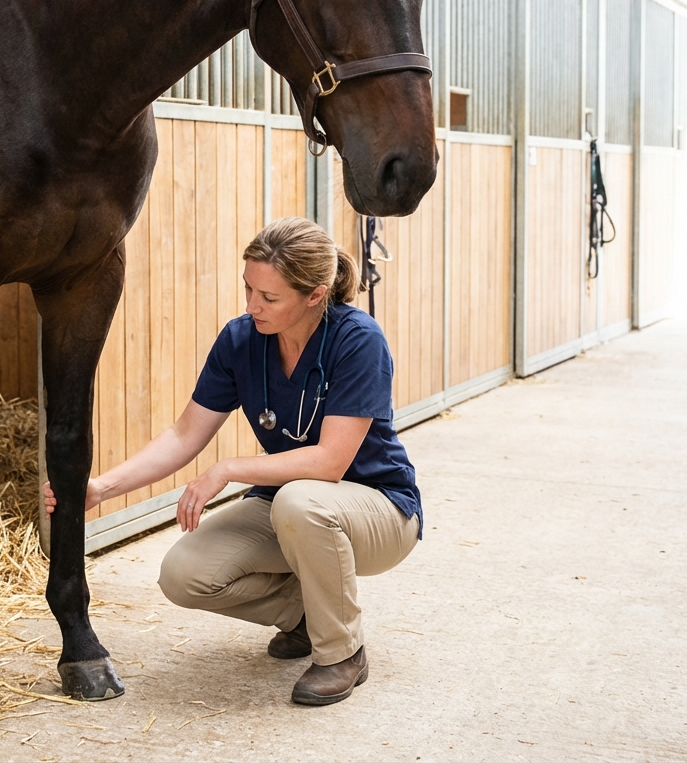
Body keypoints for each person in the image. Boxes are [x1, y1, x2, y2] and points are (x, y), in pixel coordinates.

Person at [43, 216, 422, 706]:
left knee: (302, 501)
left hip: (379, 511)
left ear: (314, 295)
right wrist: (101, 488)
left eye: (269, 297)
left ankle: (341, 652)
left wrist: (227, 468)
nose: (251, 306)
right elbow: (184, 435)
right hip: (290, 506)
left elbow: (329, 462)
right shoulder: (242, 340)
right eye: (248, 289)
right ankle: (308, 616)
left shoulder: (357, 339)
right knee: (184, 574)